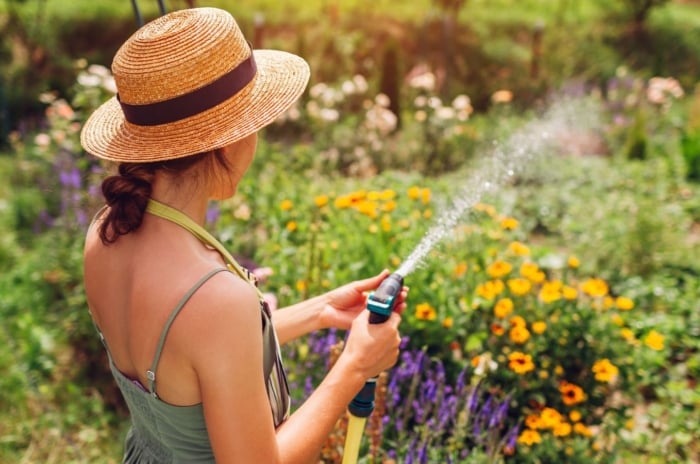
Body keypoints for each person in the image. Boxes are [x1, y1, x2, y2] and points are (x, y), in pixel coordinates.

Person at [80, 7, 407, 463]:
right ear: (229, 139)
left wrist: (319, 312)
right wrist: (355, 367)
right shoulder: (214, 298)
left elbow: (193, 359)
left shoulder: (105, 234)